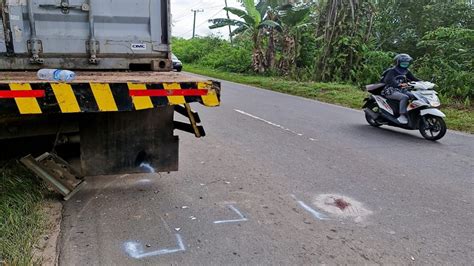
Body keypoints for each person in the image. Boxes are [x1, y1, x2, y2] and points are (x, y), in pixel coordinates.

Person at [381, 54, 420, 124]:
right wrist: (399, 84)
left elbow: (414, 79)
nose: (405, 64)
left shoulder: (406, 71)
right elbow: (388, 80)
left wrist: (425, 83)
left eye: (407, 62)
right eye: (403, 62)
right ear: (398, 62)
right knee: (404, 97)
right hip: (390, 90)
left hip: (402, 90)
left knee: (416, 96)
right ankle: (402, 115)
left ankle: (412, 113)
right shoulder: (392, 71)